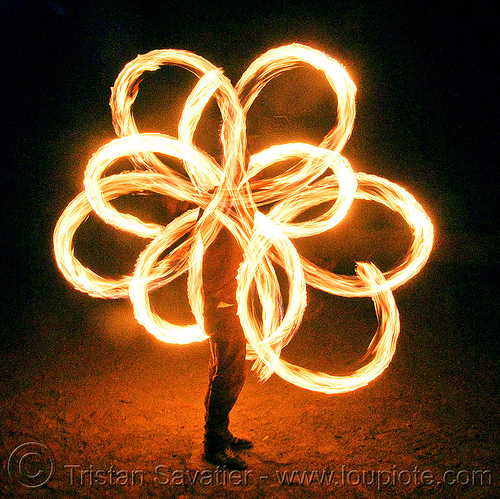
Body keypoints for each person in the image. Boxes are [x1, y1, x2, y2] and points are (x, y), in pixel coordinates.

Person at [201, 209, 253, 470]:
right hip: (224, 306)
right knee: (227, 376)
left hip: (229, 303)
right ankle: (215, 445)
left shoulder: (234, 208)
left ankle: (220, 434)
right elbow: (214, 263)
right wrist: (226, 297)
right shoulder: (220, 211)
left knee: (227, 373)